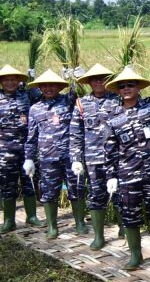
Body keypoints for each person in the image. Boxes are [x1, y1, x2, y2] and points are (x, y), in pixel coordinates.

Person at [104, 65, 150, 270]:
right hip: (127, 174)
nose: (126, 88)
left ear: (138, 87)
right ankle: (135, 255)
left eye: (131, 84)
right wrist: (111, 175)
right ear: (118, 89)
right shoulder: (113, 117)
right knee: (130, 214)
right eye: (122, 86)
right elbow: (109, 148)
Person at [23, 68, 86, 238]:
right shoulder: (35, 109)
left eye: (53, 85)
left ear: (59, 87)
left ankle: (80, 222)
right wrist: (29, 158)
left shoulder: (67, 102)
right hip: (47, 158)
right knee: (49, 192)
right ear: (40, 88)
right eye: (45, 86)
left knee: (76, 188)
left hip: (70, 156)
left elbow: (79, 94)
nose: (49, 88)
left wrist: (75, 78)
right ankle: (52, 225)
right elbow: (31, 136)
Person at [70, 63, 121, 249]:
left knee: (120, 195)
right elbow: (75, 134)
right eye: (95, 79)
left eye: (103, 78)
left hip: (116, 158)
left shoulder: (118, 100)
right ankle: (99, 236)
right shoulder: (81, 104)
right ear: (90, 82)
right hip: (93, 160)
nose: (99, 82)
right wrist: (76, 158)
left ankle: (124, 228)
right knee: (96, 196)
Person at [0, 64, 44, 233]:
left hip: (27, 149)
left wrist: (33, 79)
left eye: (13, 79)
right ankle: (9, 220)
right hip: (5, 150)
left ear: (19, 81)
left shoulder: (27, 95)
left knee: (29, 181)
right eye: (6, 79)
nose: (10, 82)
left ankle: (31, 216)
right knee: (7, 185)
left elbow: (48, 93)